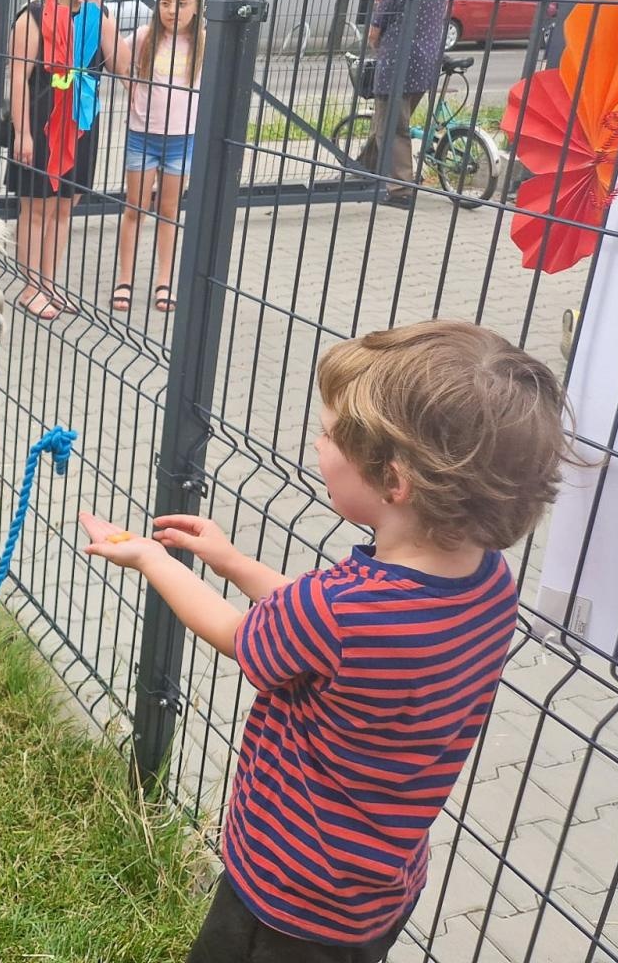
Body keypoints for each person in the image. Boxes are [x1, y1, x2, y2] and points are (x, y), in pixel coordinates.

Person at [79, 321, 568, 963]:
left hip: (286, 892)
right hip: (377, 892)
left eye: (330, 433)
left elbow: (240, 633)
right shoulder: (486, 583)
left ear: (394, 482)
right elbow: (324, 632)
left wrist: (151, 559)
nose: (317, 441)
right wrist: (231, 561)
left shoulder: (339, 608)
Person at [5, 0, 117, 321]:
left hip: (81, 120)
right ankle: (30, 286)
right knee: (35, 206)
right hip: (41, 119)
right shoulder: (34, 15)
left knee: (66, 206)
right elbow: (18, 76)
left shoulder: (97, 17)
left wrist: (102, 14)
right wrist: (22, 133)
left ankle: (50, 284)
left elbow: (120, 64)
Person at [112, 0, 204, 316]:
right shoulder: (145, 36)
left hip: (182, 140)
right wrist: (132, 91)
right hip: (142, 137)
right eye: (165, 3)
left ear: (196, 7)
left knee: (168, 211)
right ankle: (125, 279)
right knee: (134, 209)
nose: (172, 11)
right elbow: (119, 61)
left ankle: (164, 280)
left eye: (181, 4)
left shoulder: (203, 43)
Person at [360, 0, 448, 207]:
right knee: (385, 122)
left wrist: (375, 46)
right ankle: (363, 170)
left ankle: (401, 190)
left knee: (394, 128)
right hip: (425, 66)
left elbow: (375, 30)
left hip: (396, 66)